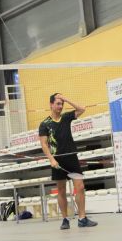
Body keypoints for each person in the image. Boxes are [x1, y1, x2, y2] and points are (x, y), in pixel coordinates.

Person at [39, 93, 97, 230]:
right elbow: (44, 144)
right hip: (57, 160)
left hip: (71, 157)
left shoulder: (66, 117)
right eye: (58, 103)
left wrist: (66, 98)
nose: (60, 106)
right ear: (51, 104)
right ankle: (65, 219)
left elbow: (81, 109)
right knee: (61, 190)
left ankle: (82, 218)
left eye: (61, 104)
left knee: (80, 187)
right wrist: (51, 160)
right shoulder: (44, 124)